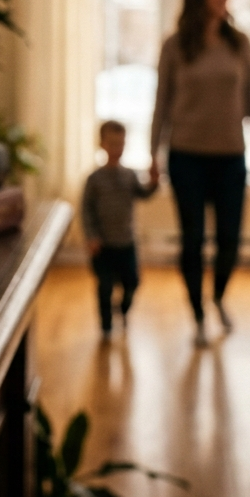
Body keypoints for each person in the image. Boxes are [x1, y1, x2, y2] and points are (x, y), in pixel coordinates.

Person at [152, 0, 250, 347]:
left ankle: (217, 296)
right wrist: (152, 153)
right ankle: (198, 314)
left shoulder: (240, 44)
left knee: (230, 240)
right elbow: (162, 105)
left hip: (231, 156)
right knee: (192, 239)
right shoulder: (174, 46)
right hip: (186, 156)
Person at [83, 121, 158, 338]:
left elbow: (143, 194)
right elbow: (86, 211)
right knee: (105, 286)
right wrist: (92, 237)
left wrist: (154, 183)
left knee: (132, 282)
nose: (117, 148)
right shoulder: (94, 179)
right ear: (102, 145)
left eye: (121, 144)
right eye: (112, 143)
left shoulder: (130, 175)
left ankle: (124, 310)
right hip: (103, 245)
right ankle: (106, 325)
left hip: (126, 242)